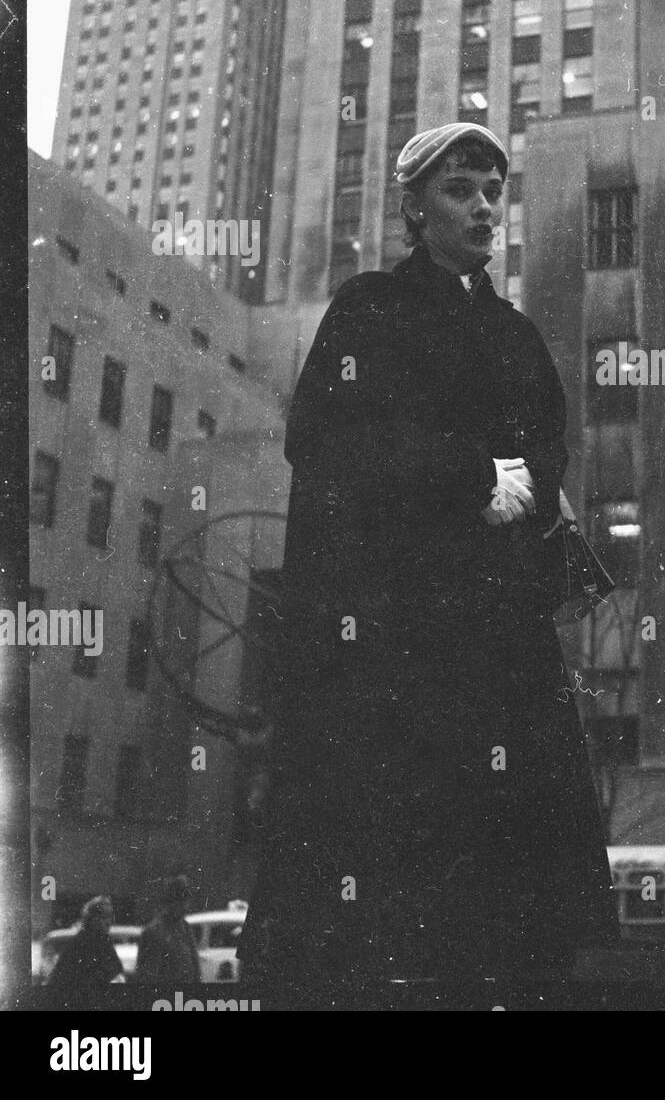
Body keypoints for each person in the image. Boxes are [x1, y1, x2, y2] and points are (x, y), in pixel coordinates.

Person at [238, 123, 617, 992]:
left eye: (493, 188)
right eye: (460, 188)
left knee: (507, 900)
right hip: (389, 644)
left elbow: (548, 452)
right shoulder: (370, 307)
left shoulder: (515, 333)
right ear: (414, 206)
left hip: (498, 645)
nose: (484, 204)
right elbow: (320, 436)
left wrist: (518, 480)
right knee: (389, 891)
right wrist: (471, 474)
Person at [46, 896, 124, 992]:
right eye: (104, 917)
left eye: (110, 916)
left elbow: (116, 971)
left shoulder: (104, 941)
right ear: (92, 919)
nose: (109, 922)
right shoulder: (79, 943)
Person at [135, 875, 201, 984]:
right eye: (180, 901)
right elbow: (148, 976)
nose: (185, 907)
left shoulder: (186, 927)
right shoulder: (154, 931)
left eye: (186, 901)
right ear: (170, 902)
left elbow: (195, 969)